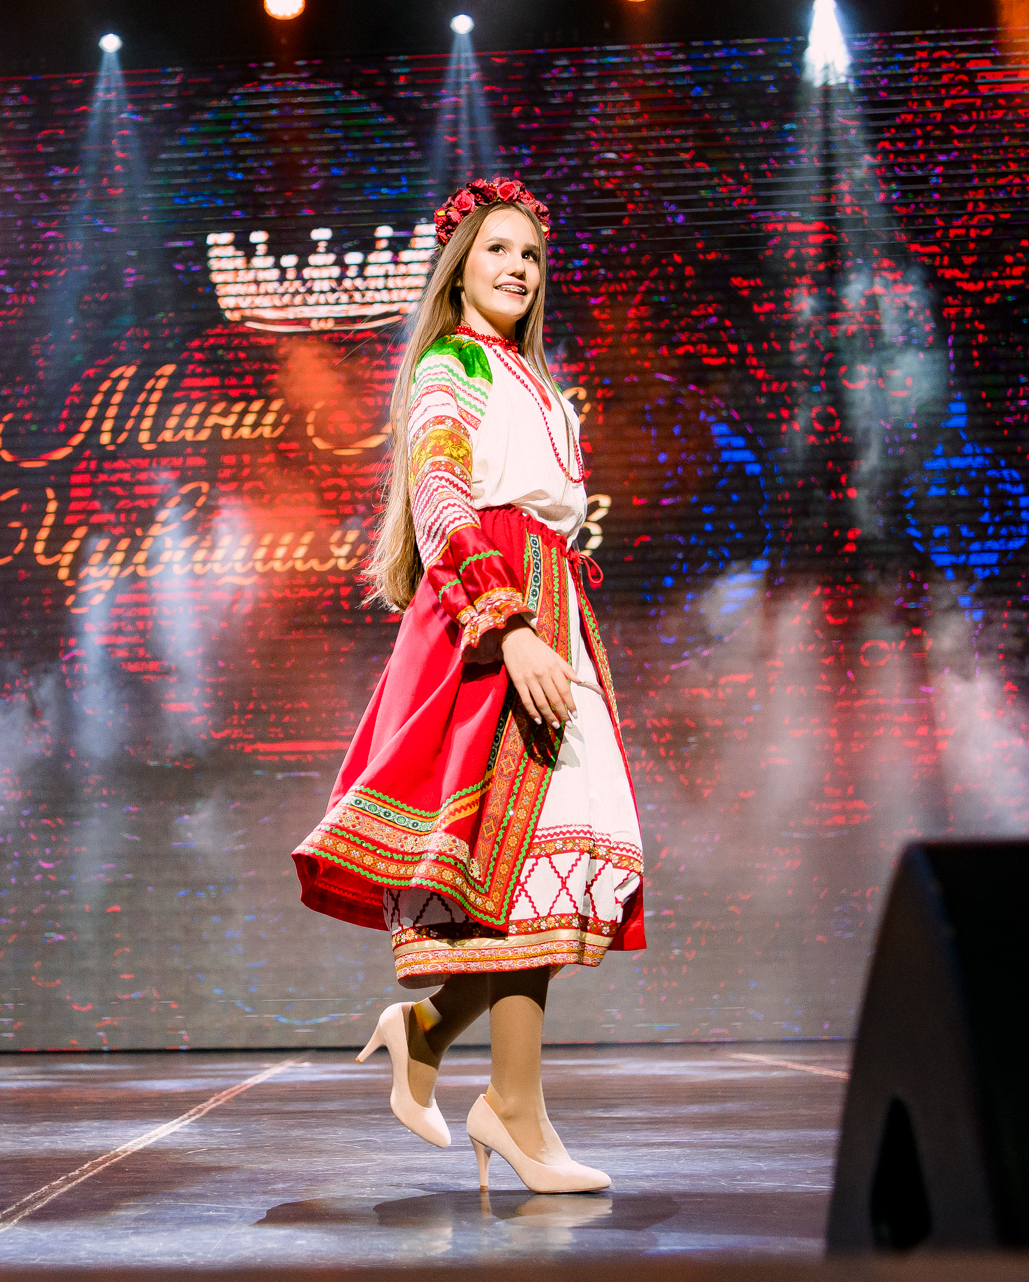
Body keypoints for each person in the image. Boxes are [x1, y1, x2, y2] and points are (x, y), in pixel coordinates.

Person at [292, 180, 645, 1194]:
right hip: (499, 620)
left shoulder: (531, 377)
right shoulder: (452, 365)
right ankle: (508, 1103)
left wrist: (548, 617)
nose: (518, 268)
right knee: (521, 865)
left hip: (550, 606)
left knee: (542, 866)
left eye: (531, 255)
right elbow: (443, 499)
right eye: (498, 249)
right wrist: (513, 626)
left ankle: (446, 1045)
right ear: (459, 267)